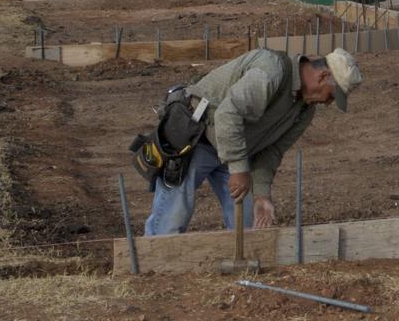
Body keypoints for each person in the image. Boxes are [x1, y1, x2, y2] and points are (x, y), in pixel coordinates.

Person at [143, 46, 362, 236]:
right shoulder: (272, 72)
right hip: (196, 138)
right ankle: (151, 268)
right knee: (171, 220)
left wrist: (262, 196)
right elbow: (227, 114)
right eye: (332, 96)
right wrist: (239, 169)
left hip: (234, 150)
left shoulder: (303, 111)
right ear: (323, 76)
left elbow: (272, 151)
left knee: (249, 224)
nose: (327, 103)